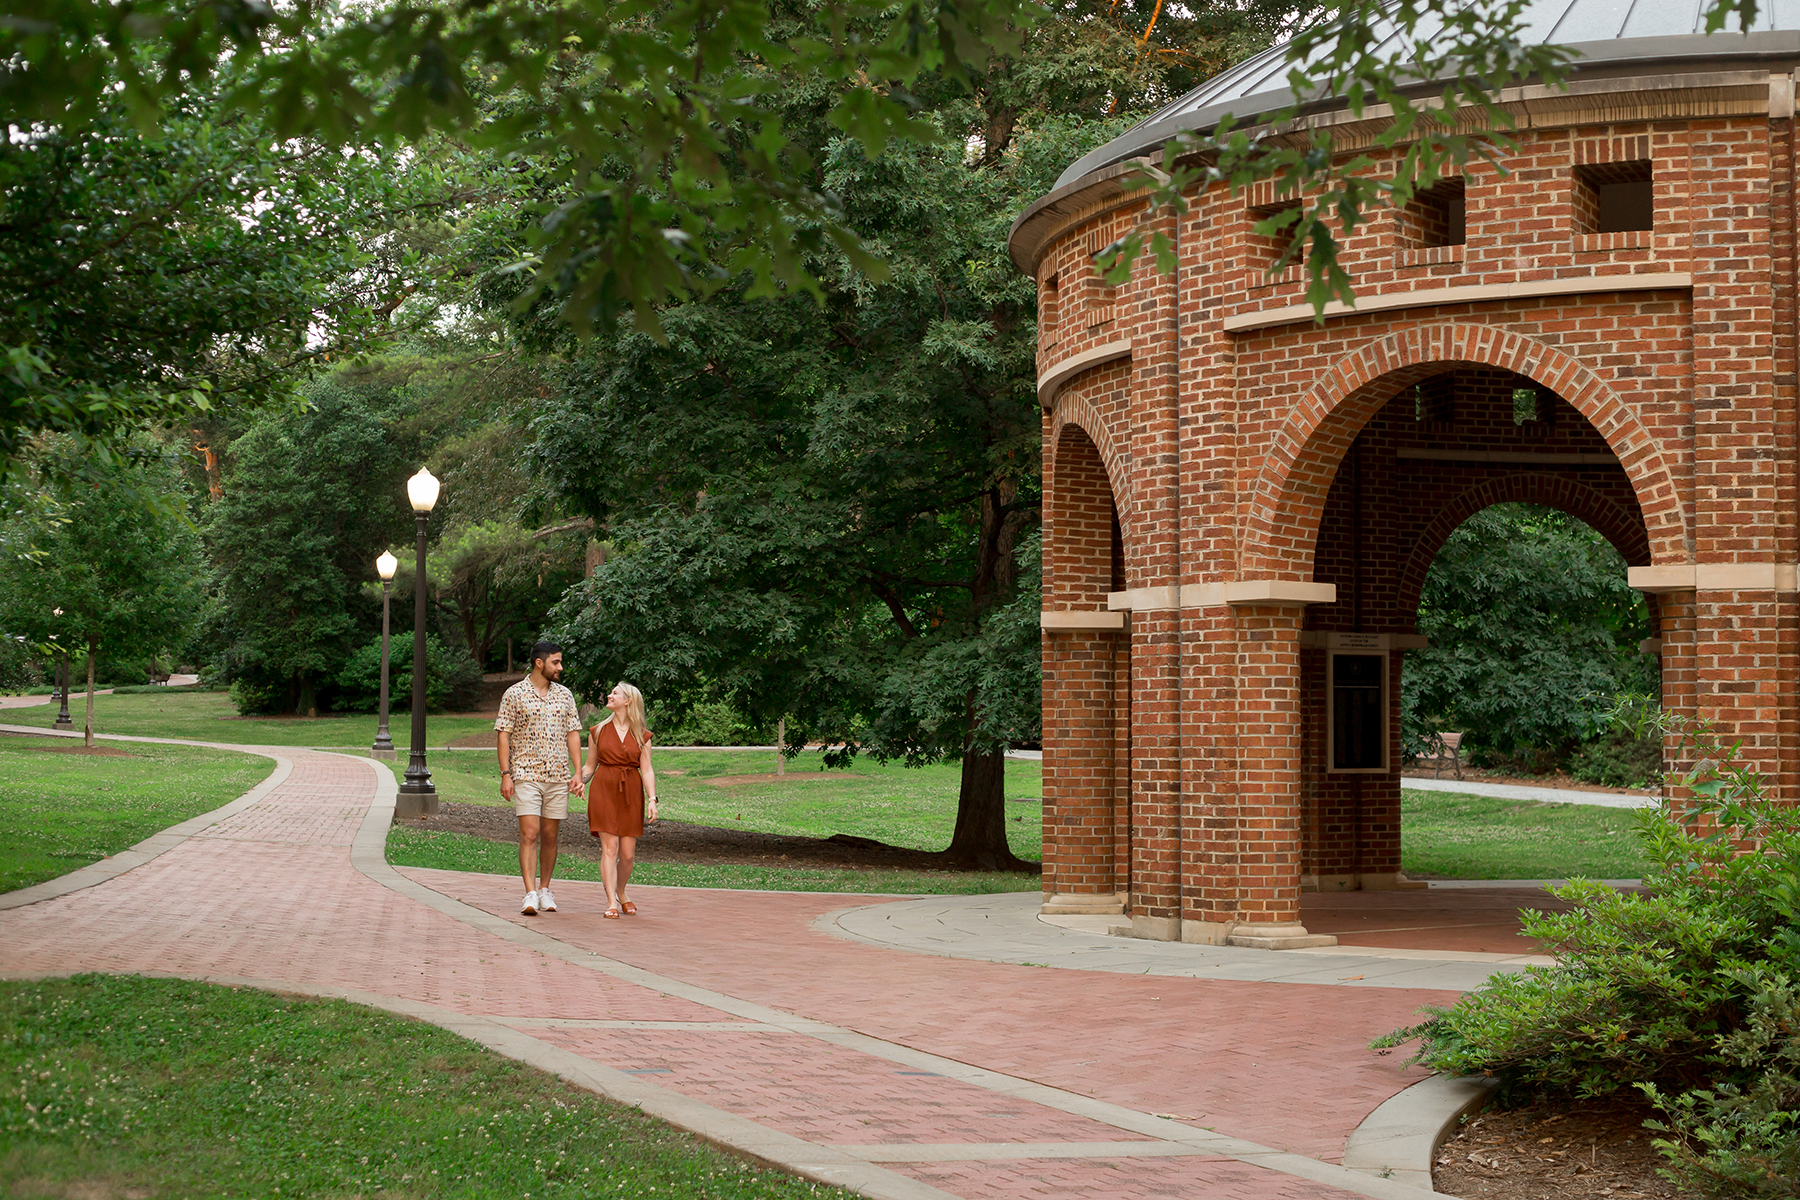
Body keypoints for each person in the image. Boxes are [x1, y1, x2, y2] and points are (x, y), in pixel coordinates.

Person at [494, 641, 583, 916]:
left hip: (557, 775)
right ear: (539, 663)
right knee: (529, 833)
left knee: (550, 835)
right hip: (525, 774)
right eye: (556, 662)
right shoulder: (514, 694)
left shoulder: (565, 695)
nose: (561, 667)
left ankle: (545, 890)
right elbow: (503, 734)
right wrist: (506, 774)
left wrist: (578, 772)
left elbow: (573, 733)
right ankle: (529, 893)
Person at [582, 680, 658, 919]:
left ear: (628, 701)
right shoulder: (597, 731)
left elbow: (646, 769)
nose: (610, 695)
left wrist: (652, 799)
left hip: (630, 793)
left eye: (615, 693)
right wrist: (578, 781)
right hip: (603, 789)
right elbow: (589, 766)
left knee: (627, 854)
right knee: (610, 848)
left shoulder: (642, 735)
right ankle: (611, 901)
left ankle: (621, 891)